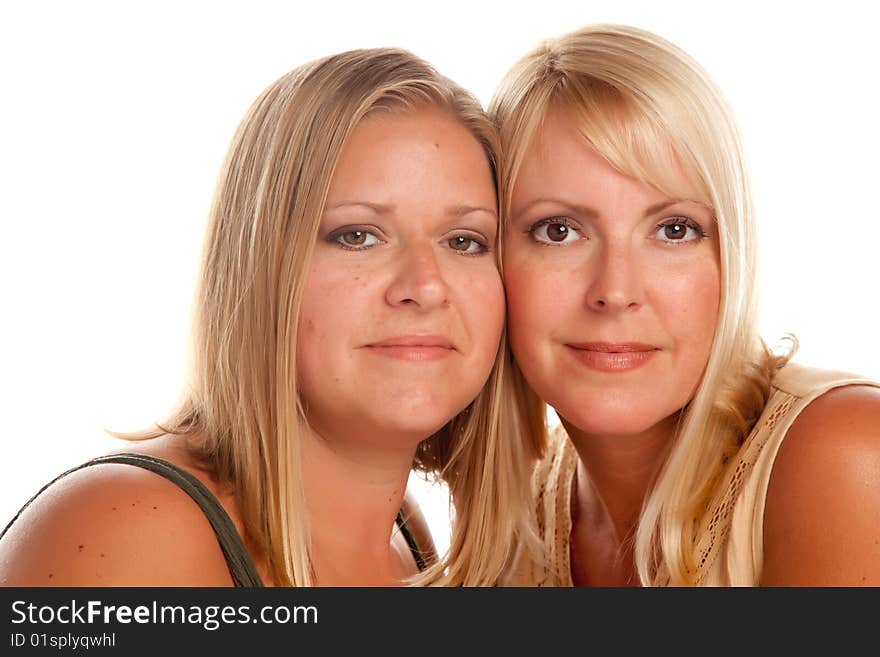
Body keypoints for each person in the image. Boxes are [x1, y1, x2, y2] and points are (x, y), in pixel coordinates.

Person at [0, 48, 537, 587]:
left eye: (464, 241)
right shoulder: (129, 531)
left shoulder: (406, 535)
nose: (424, 285)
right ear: (260, 268)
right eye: (357, 236)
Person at [491, 24, 880, 586]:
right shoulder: (516, 517)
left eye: (674, 229)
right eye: (559, 230)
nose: (617, 290)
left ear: (731, 254)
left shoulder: (845, 455)